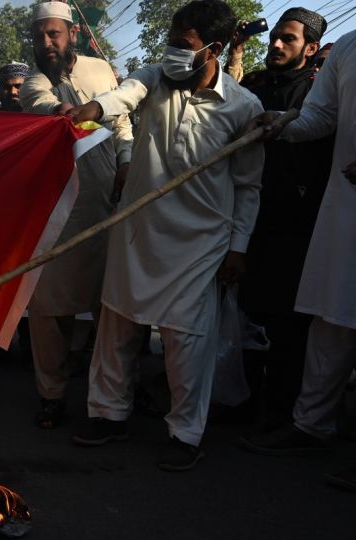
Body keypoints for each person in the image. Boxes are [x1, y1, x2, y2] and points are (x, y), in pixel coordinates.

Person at [64, 0, 264, 471]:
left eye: (184, 45)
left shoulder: (243, 106)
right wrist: (90, 108)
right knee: (116, 326)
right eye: (172, 41)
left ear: (214, 49)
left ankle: (184, 433)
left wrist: (239, 248)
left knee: (186, 340)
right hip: (137, 228)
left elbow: (248, 187)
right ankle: (108, 415)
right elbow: (121, 98)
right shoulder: (154, 77)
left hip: (200, 242)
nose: (173, 51)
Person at [237, 30, 356, 482]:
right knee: (333, 319)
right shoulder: (348, 47)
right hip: (345, 208)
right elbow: (320, 117)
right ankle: (310, 426)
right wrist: (283, 123)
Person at [19, 0, 133, 430]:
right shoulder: (33, 84)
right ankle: (52, 394)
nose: (47, 43)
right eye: (39, 36)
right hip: (58, 208)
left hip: (107, 203)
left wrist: (125, 160)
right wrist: (68, 109)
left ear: (73, 36)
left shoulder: (101, 71)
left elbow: (121, 123)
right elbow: (56, 114)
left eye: (54, 34)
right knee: (48, 310)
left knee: (113, 308)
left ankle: (112, 397)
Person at [235, 8, 332, 424]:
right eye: (275, 36)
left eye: (287, 39)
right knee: (244, 311)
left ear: (310, 49)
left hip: (294, 220)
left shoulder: (319, 92)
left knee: (287, 321)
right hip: (246, 216)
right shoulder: (253, 84)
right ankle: (240, 397)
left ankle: (278, 411)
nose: (275, 44)